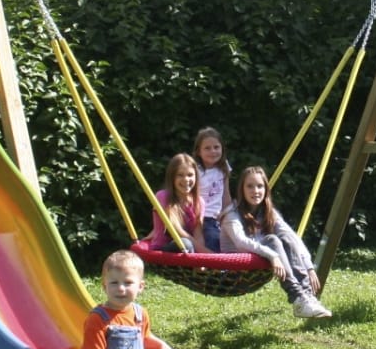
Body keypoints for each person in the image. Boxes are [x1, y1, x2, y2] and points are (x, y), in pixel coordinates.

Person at [219, 165, 332, 320]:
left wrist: (309, 267)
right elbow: (240, 242)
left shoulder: (268, 213)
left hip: (261, 261)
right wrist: (272, 255)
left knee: (284, 237)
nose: (255, 191)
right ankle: (298, 297)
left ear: (266, 189)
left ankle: (306, 296)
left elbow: (291, 237)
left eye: (260, 186)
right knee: (272, 239)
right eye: (250, 186)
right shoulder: (232, 214)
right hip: (236, 270)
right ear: (241, 190)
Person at [141, 153, 208, 254]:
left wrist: (203, 256)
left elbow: (198, 234)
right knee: (185, 243)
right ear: (172, 178)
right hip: (163, 250)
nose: (186, 179)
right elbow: (177, 231)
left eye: (190, 175)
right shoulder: (163, 196)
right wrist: (207, 253)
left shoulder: (199, 202)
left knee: (210, 237)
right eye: (180, 175)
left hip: (187, 251)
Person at [193, 127, 232, 253]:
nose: (213, 151)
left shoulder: (224, 167)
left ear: (222, 148)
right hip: (203, 217)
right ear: (198, 151)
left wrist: (228, 214)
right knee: (213, 238)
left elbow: (226, 194)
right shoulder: (196, 171)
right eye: (207, 148)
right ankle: (212, 263)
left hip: (218, 217)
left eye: (216, 147)